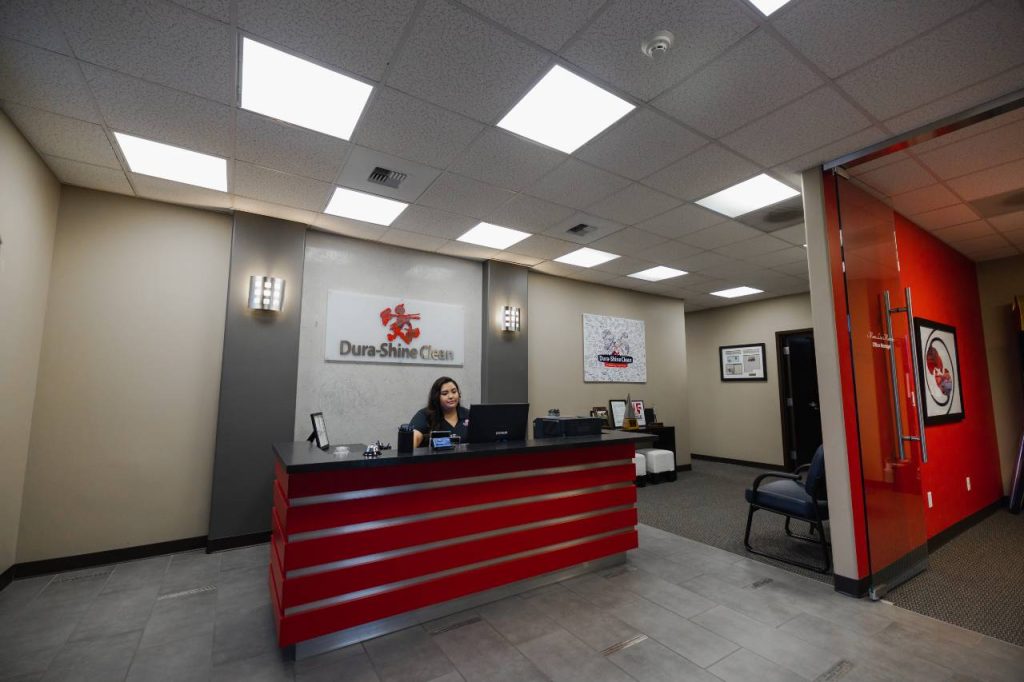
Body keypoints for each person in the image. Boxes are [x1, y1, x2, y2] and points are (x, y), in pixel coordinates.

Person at [410, 376, 470, 447]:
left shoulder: (468, 414)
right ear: (436, 397)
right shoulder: (424, 415)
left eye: (454, 392)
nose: (451, 396)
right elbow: (413, 439)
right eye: (445, 393)